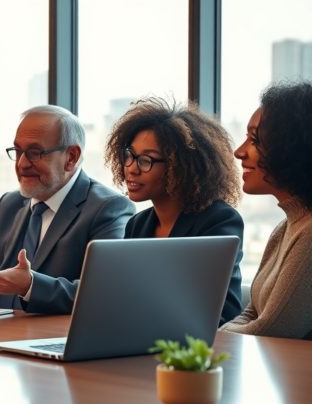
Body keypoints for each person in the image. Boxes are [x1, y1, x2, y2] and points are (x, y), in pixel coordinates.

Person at [0, 105, 135, 314]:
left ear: (71, 157)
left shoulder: (108, 208)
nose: (22, 163)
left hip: (49, 334)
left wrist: (30, 286)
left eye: (34, 153)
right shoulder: (10, 204)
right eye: (18, 151)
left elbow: (104, 293)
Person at [105, 97, 244, 325]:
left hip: (206, 341)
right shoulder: (137, 224)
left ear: (180, 166)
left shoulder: (219, 220)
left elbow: (213, 310)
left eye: (146, 160)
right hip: (145, 334)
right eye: (129, 155)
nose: (131, 168)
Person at [221, 81, 312, 338]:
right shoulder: (285, 227)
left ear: (292, 146)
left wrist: (201, 342)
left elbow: (270, 331)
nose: (239, 152)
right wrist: (209, 340)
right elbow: (253, 313)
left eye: (254, 139)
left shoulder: (309, 234)